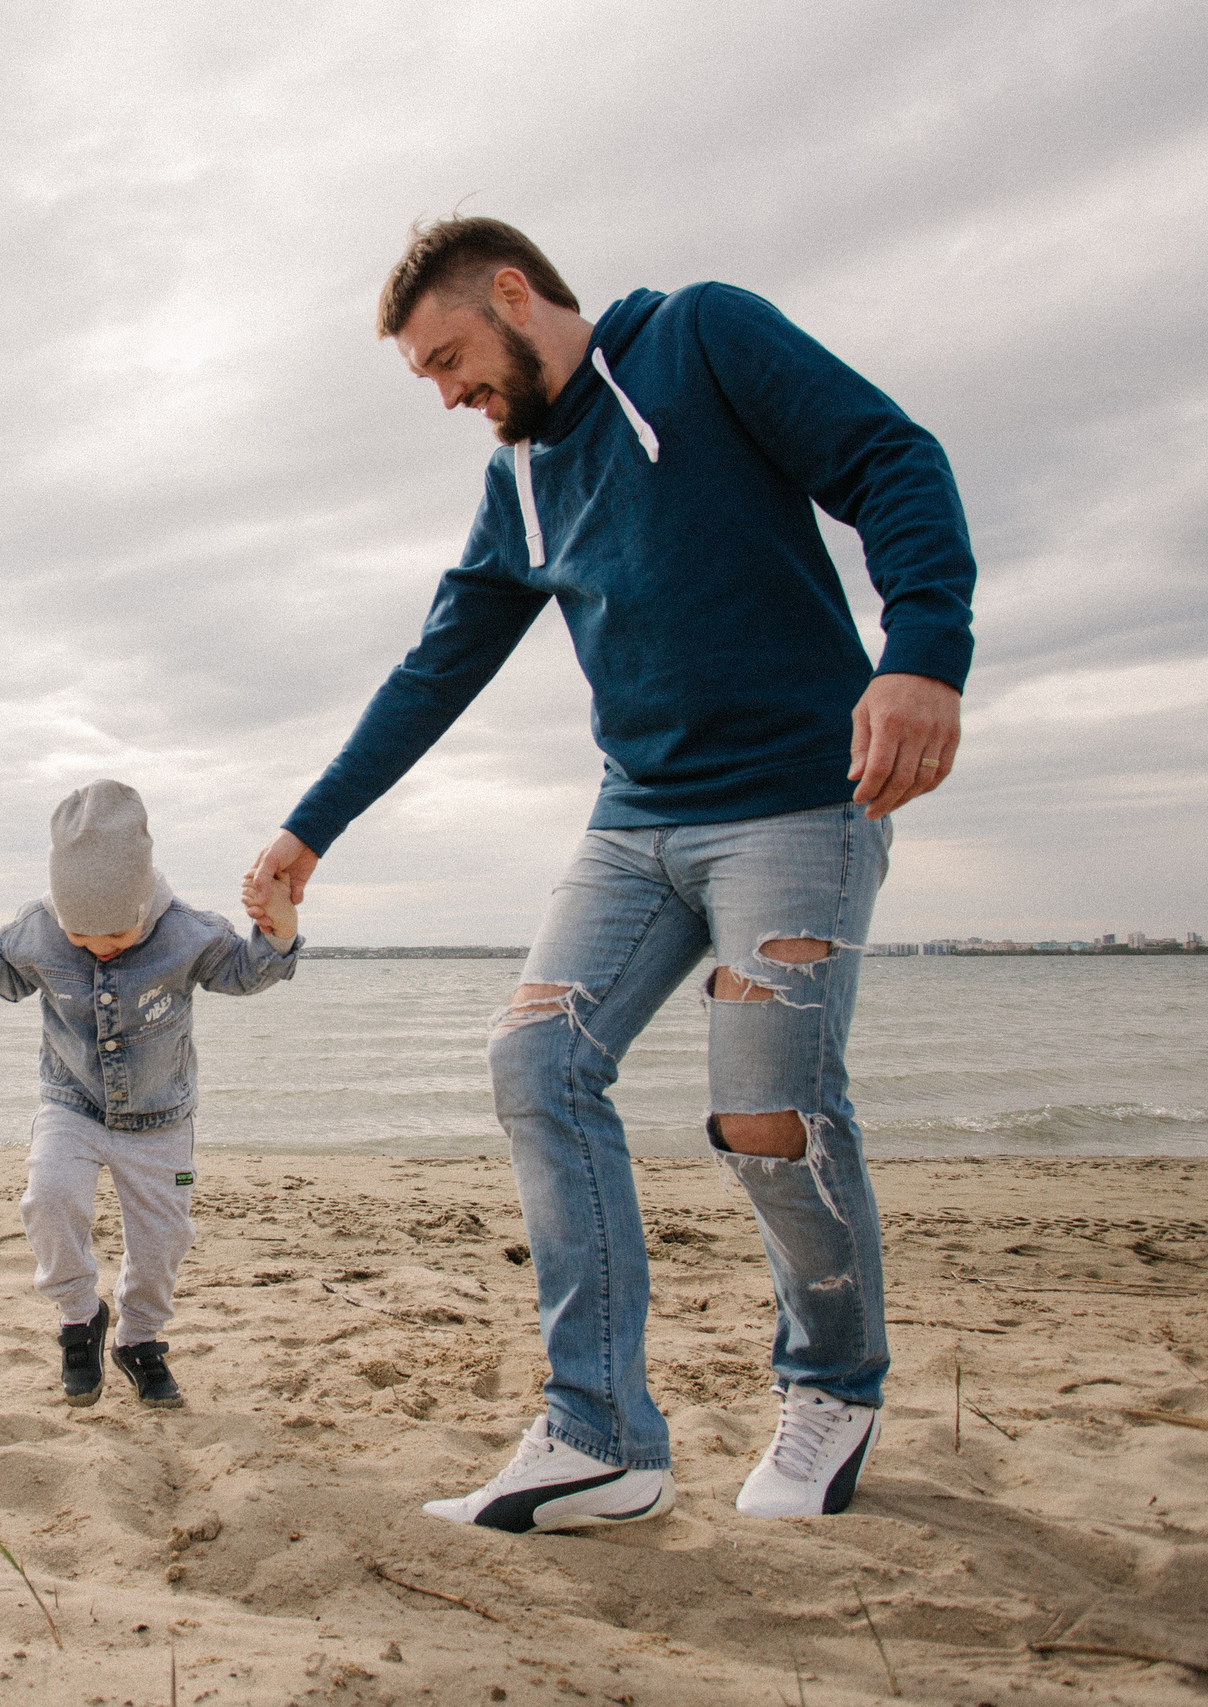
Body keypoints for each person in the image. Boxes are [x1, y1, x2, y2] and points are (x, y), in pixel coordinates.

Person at [248, 218, 976, 1529]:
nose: (450, 392)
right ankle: (601, 1435)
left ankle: (832, 1385)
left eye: (452, 357)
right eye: (428, 377)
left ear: (516, 294)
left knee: (770, 1116)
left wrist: (921, 646)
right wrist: (312, 828)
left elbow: (892, 458)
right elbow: (435, 668)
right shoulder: (517, 482)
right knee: (537, 1059)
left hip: (801, 802)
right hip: (635, 820)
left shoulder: (700, 336)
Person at [0, 780, 301, 1408]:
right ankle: (80, 1318)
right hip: (70, 1103)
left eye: (119, 936)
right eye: (83, 939)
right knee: (48, 1196)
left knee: (164, 1240)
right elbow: (3, 978)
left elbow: (245, 974)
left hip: (162, 1117)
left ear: (146, 904)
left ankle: (139, 1338)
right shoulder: (36, 930)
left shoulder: (189, 933)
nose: (101, 948)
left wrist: (277, 932)